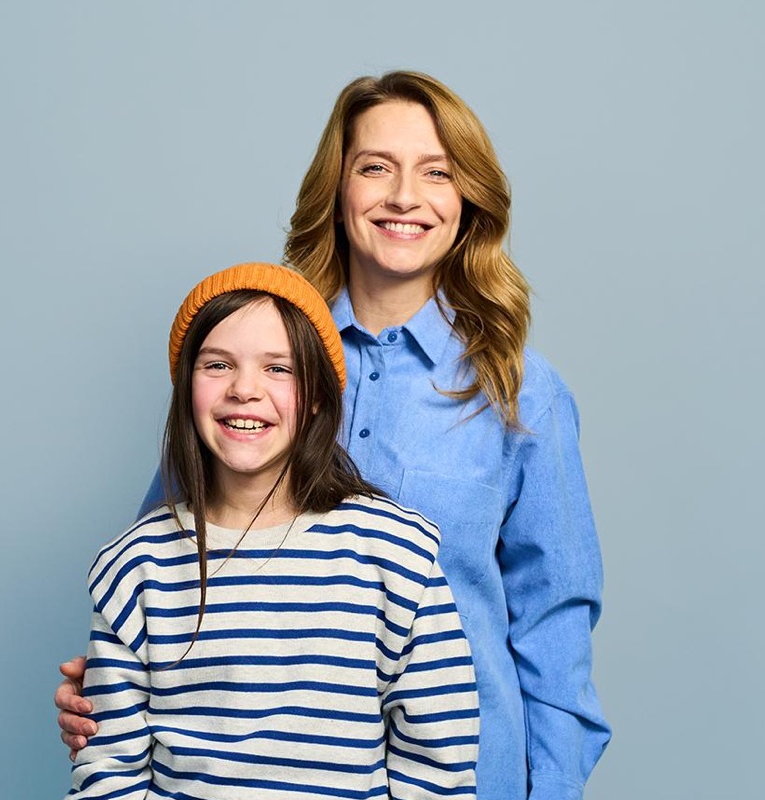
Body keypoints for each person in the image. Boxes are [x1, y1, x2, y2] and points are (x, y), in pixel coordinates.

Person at [58, 71, 611, 800]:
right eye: (375, 167)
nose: (404, 197)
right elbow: (169, 562)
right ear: (338, 188)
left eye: (437, 172)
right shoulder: (259, 366)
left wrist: (556, 791)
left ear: (468, 199)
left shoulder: (522, 391)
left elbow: (554, 629)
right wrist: (104, 692)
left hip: (469, 779)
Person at [66, 262, 479, 799]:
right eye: (217, 365)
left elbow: (437, 769)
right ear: (186, 386)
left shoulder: (396, 555)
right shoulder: (136, 565)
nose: (244, 389)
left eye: (278, 368)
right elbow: (109, 775)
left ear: (317, 396)